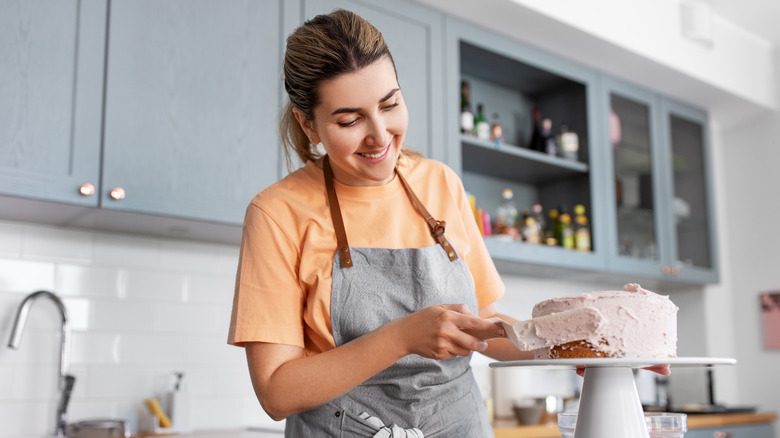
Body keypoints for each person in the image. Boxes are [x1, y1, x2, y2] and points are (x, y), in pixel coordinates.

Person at [228, 9, 667, 437]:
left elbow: (485, 323)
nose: (380, 135)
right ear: (309, 124)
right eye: (350, 119)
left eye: (390, 104)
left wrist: (591, 346)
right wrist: (402, 337)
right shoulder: (276, 213)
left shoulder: (440, 183)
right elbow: (276, 390)